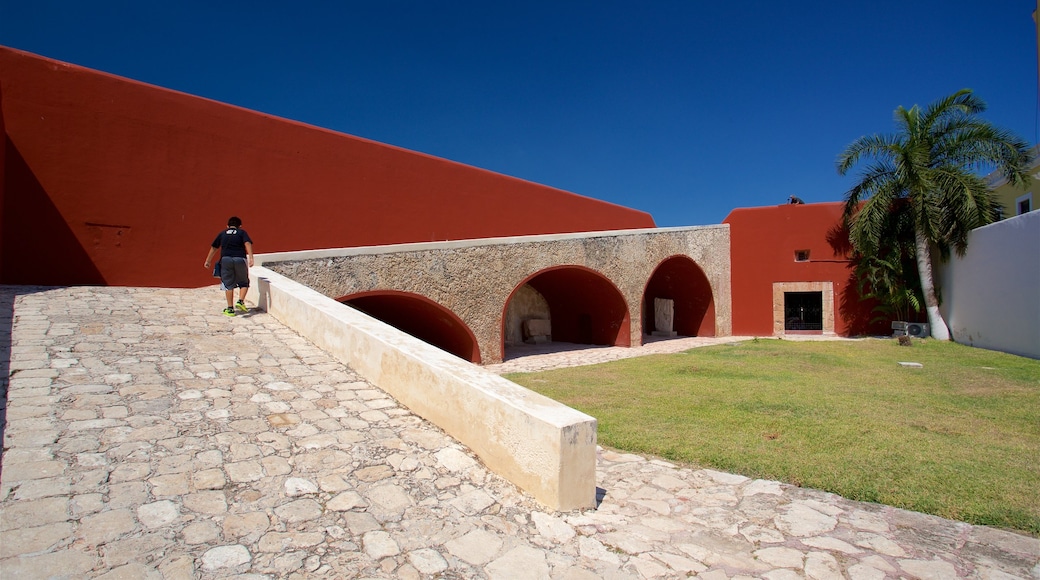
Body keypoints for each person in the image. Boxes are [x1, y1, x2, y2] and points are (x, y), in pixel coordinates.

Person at [204, 216, 254, 316]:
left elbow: (214, 247)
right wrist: (251, 258)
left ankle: (230, 309)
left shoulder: (222, 233)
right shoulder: (242, 233)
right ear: (240, 226)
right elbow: (247, 243)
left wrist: (208, 260)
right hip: (240, 258)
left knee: (228, 283)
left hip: (226, 259)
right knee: (244, 281)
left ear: (227, 226)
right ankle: (240, 301)